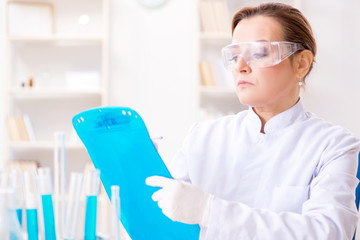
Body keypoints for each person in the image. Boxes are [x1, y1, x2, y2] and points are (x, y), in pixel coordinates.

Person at [146, 2, 360, 239]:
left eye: (259, 53)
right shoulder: (202, 136)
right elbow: (159, 226)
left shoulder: (334, 145)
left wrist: (210, 211)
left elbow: (329, 232)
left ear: (301, 64)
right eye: (234, 56)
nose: (240, 67)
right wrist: (138, 174)